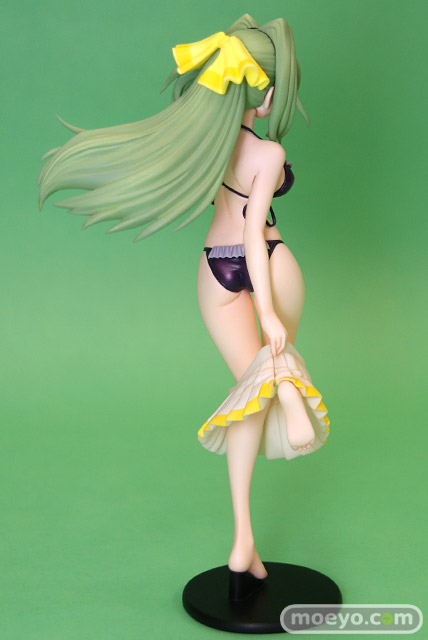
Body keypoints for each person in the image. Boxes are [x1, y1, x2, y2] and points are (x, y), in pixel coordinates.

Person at [37, 14, 330, 592]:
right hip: (269, 259)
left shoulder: (206, 144)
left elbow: (231, 225)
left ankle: (243, 540)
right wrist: (268, 313)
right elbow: (254, 234)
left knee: (246, 397)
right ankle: (290, 390)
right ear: (264, 95)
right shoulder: (268, 154)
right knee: (268, 370)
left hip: (215, 269)